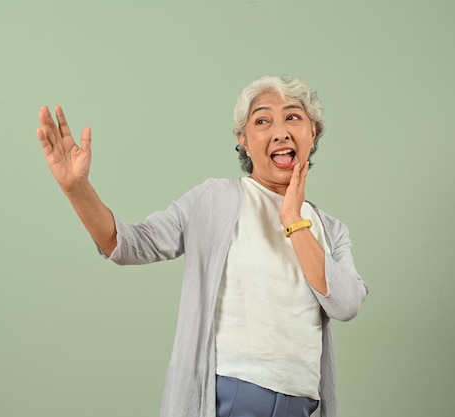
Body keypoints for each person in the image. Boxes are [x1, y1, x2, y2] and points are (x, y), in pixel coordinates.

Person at [36, 75, 368, 417]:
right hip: (226, 396)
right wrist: (78, 190)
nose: (280, 131)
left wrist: (293, 218)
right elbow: (130, 243)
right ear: (244, 139)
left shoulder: (330, 229)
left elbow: (345, 304)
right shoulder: (214, 199)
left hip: (301, 404)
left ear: (312, 132)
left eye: (293, 117)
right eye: (262, 120)